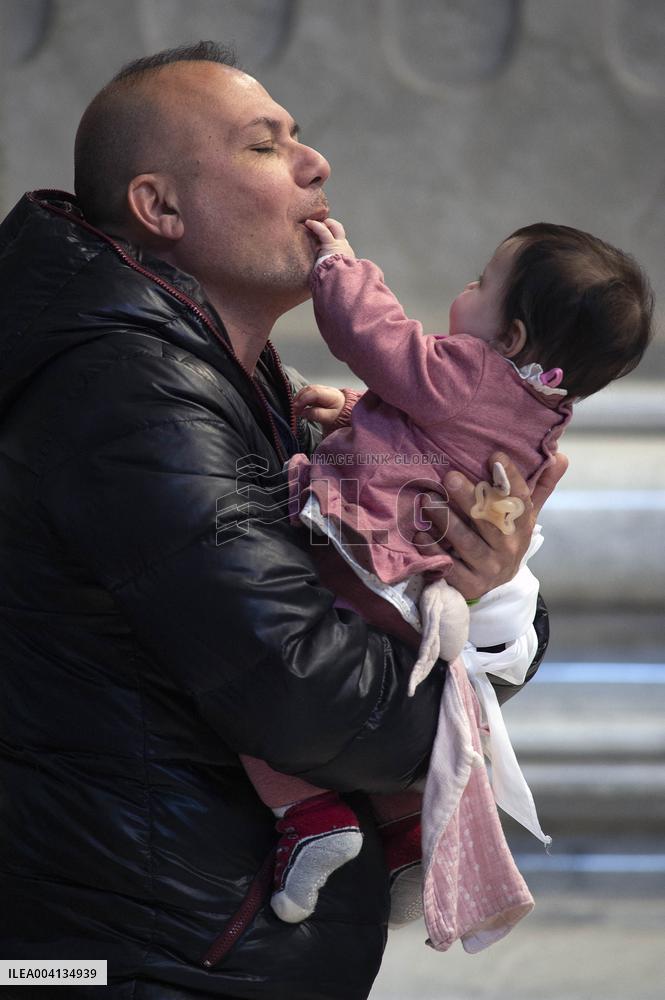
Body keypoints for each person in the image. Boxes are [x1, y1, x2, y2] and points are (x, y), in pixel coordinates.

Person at [0, 41, 564, 1000]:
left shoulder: (216, 361)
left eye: (300, 137)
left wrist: (492, 582)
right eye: (266, 146)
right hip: (139, 958)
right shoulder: (130, 392)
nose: (315, 165)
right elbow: (308, 699)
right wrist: (470, 666)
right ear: (160, 208)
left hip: (186, 939)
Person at [239, 218, 654, 929]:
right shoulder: (536, 423)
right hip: (423, 593)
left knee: (251, 680)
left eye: (481, 282)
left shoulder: (466, 370)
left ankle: (308, 815)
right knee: (388, 698)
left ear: (513, 338)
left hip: (360, 561)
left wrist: (338, 266)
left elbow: (376, 339)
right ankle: (405, 838)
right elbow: (431, 449)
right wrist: (355, 416)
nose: (466, 287)